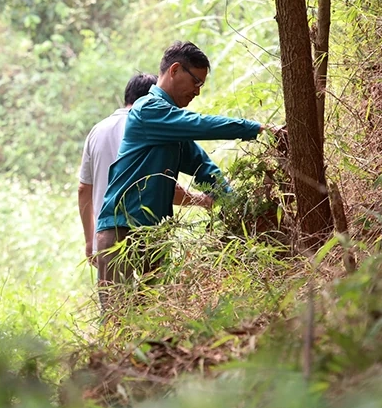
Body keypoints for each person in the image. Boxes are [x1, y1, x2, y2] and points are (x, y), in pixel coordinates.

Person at [94, 41, 283, 296]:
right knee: (118, 314)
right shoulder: (148, 109)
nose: (197, 92)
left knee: (154, 313)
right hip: (121, 229)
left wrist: (241, 211)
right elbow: (201, 124)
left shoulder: (172, 126)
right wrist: (257, 128)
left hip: (154, 235)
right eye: (196, 82)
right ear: (174, 70)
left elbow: (204, 169)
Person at [78, 73, 214, 266]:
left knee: (113, 287)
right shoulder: (155, 127)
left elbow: (84, 189)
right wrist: (202, 200)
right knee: (150, 286)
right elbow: (166, 188)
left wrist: (89, 240)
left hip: (107, 234)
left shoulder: (97, 131)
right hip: (148, 233)